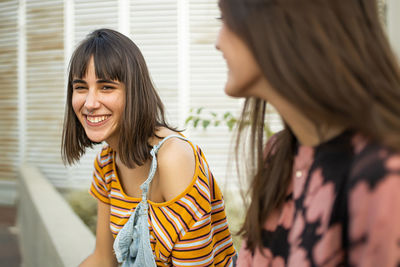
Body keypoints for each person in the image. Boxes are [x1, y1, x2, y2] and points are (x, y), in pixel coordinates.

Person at [215, 0, 400, 266]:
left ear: (281, 23)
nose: (218, 43)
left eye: (224, 19)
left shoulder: (384, 176)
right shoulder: (279, 154)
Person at [62, 28, 237, 266]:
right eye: (81, 87)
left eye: (106, 87)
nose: (90, 103)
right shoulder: (107, 162)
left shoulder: (173, 158)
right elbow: (104, 259)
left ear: (134, 91)